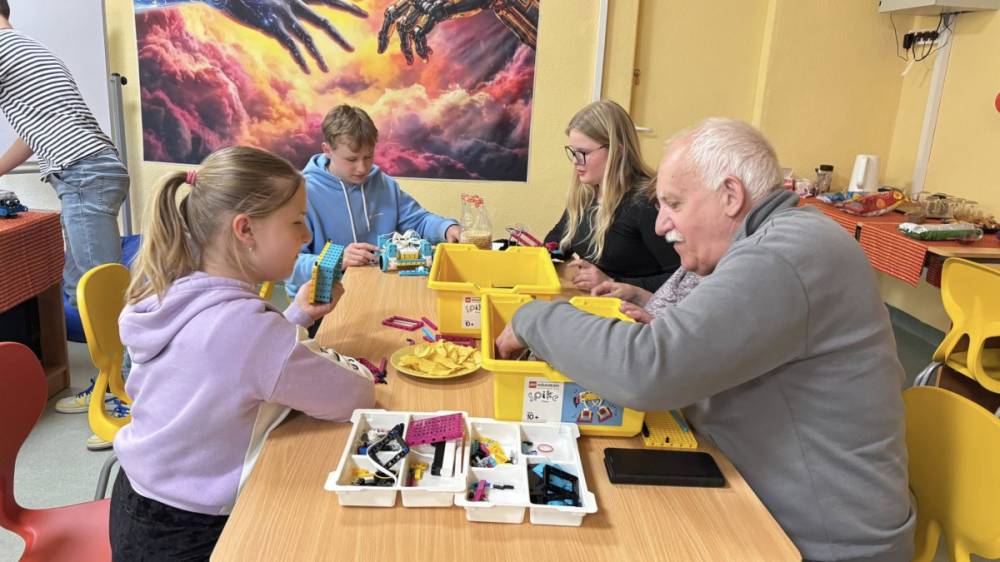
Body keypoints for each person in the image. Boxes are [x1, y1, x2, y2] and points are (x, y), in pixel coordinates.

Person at [497, 118, 915, 562]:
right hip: (768, 497)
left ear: (730, 195)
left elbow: (648, 370)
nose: (661, 225)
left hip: (819, 543)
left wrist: (531, 317)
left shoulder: (782, 254)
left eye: (673, 204)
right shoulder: (779, 236)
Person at [110, 146, 375, 561]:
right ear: (245, 230)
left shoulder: (178, 289)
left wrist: (296, 316)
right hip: (193, 532)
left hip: (136, 501)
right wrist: (343, 360)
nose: (306, 237)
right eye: (297, 222)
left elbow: (232, 360)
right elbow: (354, 396)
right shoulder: (247, 330)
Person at [0, 1, 130, 307]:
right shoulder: (30, 49)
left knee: (102, 294)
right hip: (93, 168)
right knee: (77, 287)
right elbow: (31, 136)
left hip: (84, 172)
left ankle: (127, 339)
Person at [286, 104, 460, 299]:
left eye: (368, 157)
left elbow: (419, 221)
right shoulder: (301, 194)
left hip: (379, 290)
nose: (362, 168)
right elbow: (289, 264)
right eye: (351, 159)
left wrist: (447, 229)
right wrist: (336, 260)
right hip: (321, 301)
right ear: (327, 150)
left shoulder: (383, 184)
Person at [545, 100, 679, 292]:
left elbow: (682, 280)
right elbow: (557, 240)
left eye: (583, 153)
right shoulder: (587, 193)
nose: (575, 161)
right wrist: (550, 255)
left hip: (634, 307)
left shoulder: (646, 203)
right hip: (593, 300)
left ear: (618, 151)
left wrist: (612, 282)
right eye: (573, 152)